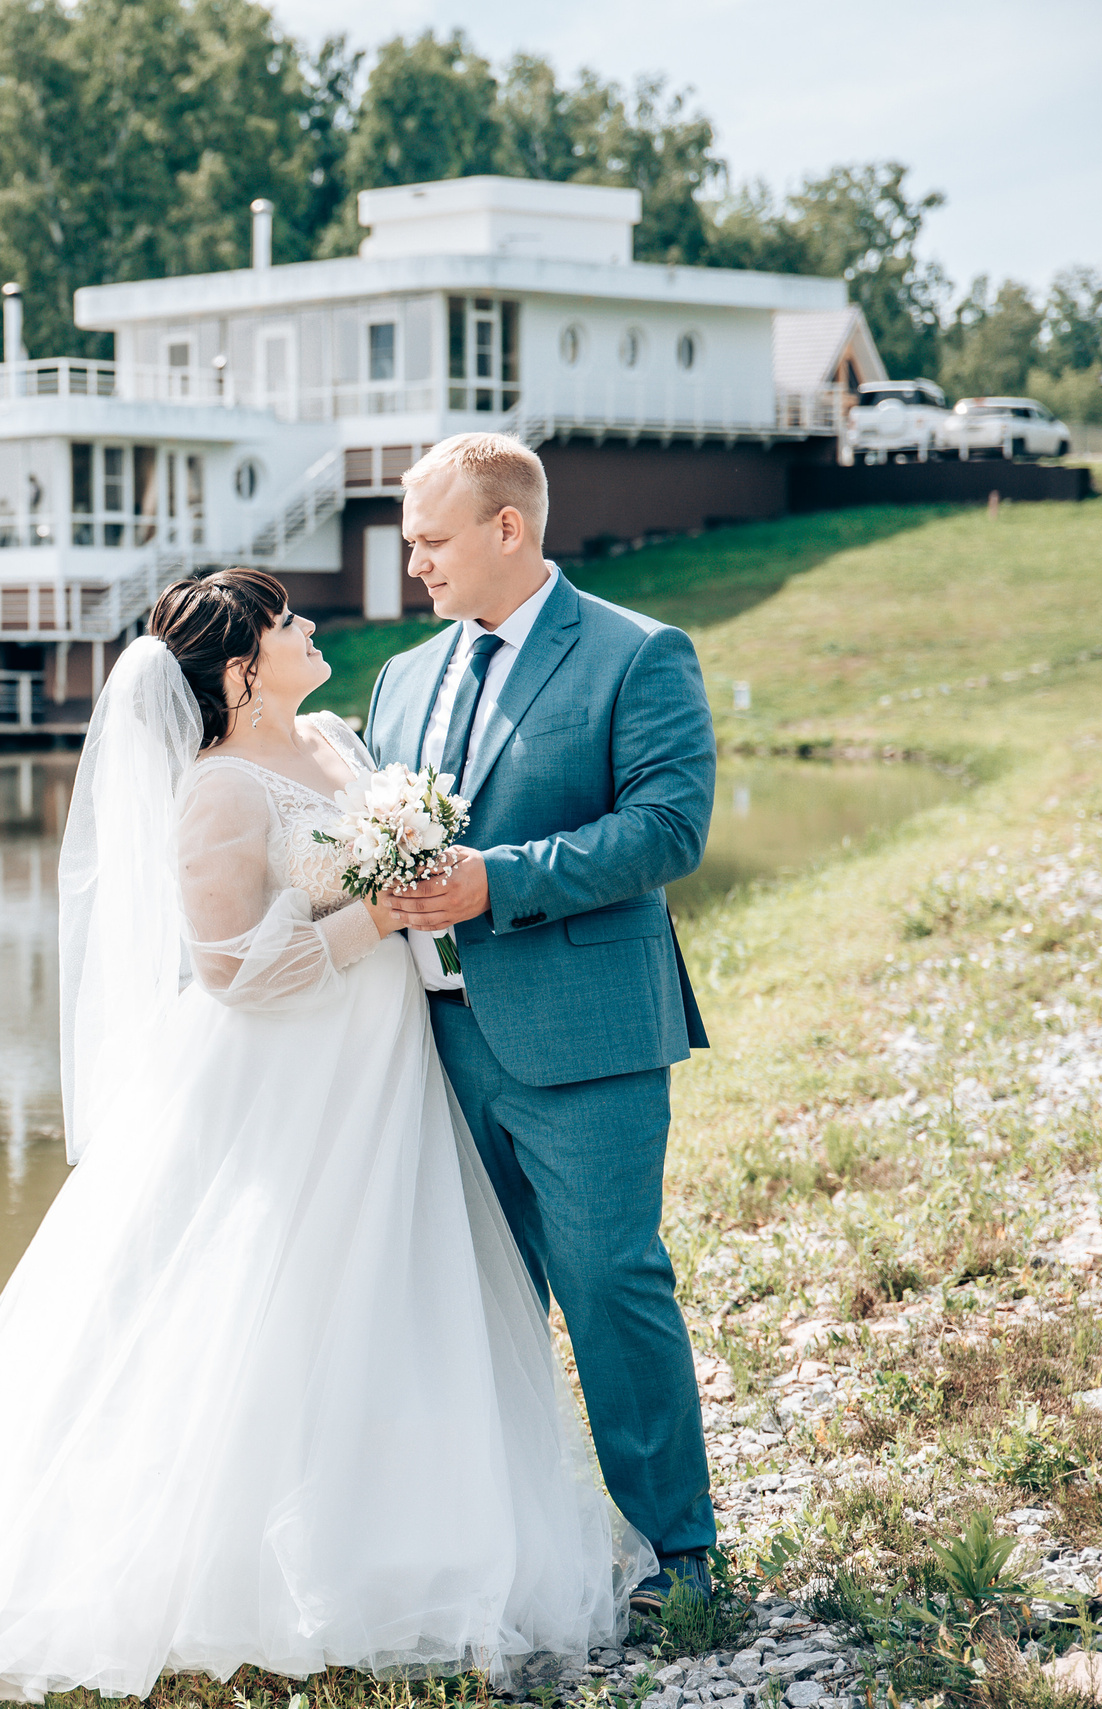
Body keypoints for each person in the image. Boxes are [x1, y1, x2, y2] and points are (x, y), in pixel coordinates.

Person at [0, 564, 651, 1704]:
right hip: (287, 1068)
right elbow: (231, 970)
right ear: (240, 668)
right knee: (272, 1294)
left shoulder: (338, 740)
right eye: (286, 621)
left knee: (394, 1282)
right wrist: (373, 918)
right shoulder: (216, 790)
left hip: (387, 1057)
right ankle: (234, 1574)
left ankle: (409, 1542)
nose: (308, 626)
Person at [364, 432, 717, 1615]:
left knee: (611, 1283)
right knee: (471, 1300)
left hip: (585, 1037)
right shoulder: (400, 678)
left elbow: (669, 827)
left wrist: (495, 879)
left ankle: (679, 1553)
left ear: (505, 528)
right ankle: (508, 1560)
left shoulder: (637, 653)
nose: (412, 561)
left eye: (430, 538)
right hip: (430, 1043)